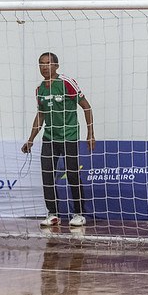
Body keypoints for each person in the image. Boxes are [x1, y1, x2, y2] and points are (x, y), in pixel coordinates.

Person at [21, 52, 95, 227]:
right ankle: (53, 213)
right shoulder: (40, 89)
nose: (44, 67)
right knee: (47, 175)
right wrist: (31, 139)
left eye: (48, 63)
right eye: (41, 64)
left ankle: (79, 213)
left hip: (69, 137)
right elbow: (41, 115)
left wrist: (90, 134)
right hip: (49, 138)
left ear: (56, 65)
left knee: (72, 174)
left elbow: (87, 107)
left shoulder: (67, 83)